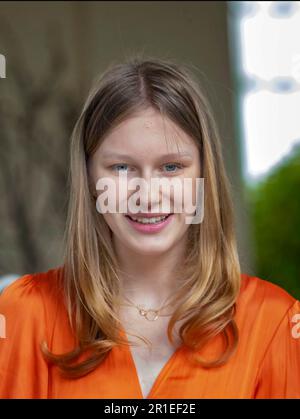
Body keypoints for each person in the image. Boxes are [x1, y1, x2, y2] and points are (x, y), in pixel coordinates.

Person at [0, 56, 299, 399]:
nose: (148, 195)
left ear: (204, 175)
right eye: (122, 168)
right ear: (90, 179)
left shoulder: (274, 322)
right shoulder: (25, 312)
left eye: (171, 167)